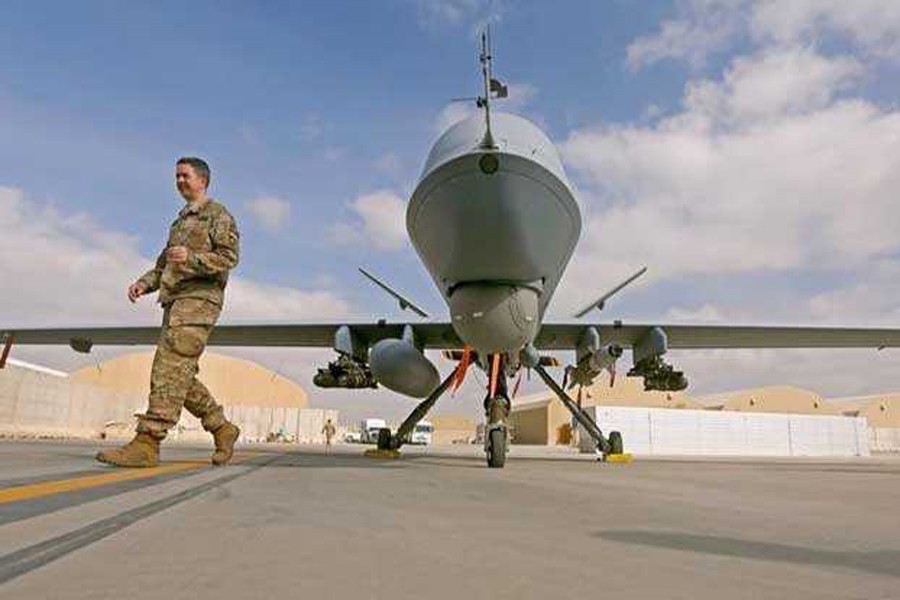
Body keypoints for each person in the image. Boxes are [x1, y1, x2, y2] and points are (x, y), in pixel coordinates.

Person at [96, 157, 241, 467]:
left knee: (168, 367)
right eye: (176, 176)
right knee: (178, 374)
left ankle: (148, 442)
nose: (179, 181)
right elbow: (164, 266)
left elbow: (229, 257)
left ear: (202, 180)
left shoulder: (218, 215)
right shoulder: (179, 223)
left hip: (200, 301)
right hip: (175, 300)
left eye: (184, 175)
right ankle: (221, 427)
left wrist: (192, 258)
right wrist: (143, 283)